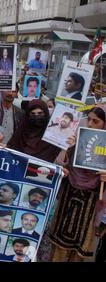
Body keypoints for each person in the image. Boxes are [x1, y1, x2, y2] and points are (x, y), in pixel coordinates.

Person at [49, 105, 106, 262]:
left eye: (96, 121)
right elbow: (62, 163)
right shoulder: (78, 138)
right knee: (59, 245)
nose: (90, 125)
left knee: (79, 247)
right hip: (69, 193)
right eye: (89, 120)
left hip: (91, 201)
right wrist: (67, 148)